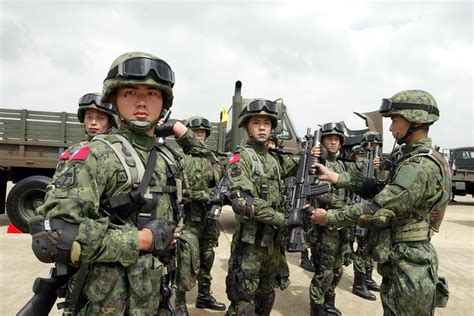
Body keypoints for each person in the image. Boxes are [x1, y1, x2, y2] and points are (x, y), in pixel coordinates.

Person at [28, 52, 206, 315]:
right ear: (114, 99)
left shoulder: (169, 157)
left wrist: (180, 129)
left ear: (164, 102)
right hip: (107, 304)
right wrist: (141, 240)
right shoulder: (97, 155)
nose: (142, 102)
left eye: (153, 94)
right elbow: (52, 235)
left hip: (154, 294)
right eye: (130, 93)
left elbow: (211, 167)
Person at [311, 90, 451, 315]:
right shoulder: (420, 158)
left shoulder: (418, 166)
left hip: (409, 263)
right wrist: (336, 177)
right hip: (405, 258)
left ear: (413, 120)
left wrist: (328, 218)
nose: (391, 127)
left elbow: (376, 207)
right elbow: (381, 189)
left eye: (395, 120)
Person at [225, 99, 304, 316]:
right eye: (256, 122)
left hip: (272, 245)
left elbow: (298, 165)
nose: (262, 127)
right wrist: (283, 219)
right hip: (250, 244)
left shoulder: (274, 160)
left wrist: (316, 155)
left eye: (267, 123)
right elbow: (243, 202)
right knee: (243, 305)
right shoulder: (240, 158)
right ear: (246, 126)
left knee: (266, 297)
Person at [174, 116, 226, 315]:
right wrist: (202, 195)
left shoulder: (214, 159)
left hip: (209, 218)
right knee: (185, 258)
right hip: (188, 217)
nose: (199, 136)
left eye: (203, 133)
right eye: (195, 132)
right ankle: (179, 302)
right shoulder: (179, 158)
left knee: (207, 255)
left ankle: (204, 296)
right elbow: (175, 191)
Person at [309, 122, 350, 316]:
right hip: (324, 226)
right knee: (324, 272)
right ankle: (317, 309)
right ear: (323, 142)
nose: (333, 142)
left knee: (336, 269)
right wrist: (343, 206)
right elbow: (319, 192)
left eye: (336, 139)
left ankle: (328, 303)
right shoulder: (319, 163)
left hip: (340, 226)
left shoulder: (341, 164)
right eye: (329, 139)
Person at [349, 131, 383, 301]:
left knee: (371, 247)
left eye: (377, 146)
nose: (375, 148)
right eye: (372, 145)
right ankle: (358, 283)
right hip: (362, 208)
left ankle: (368, 278)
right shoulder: (360, 163)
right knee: (362, 248)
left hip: (375, 208)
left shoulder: (379, 162)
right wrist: (368, 163)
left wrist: (381, 167)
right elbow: (354, 175)